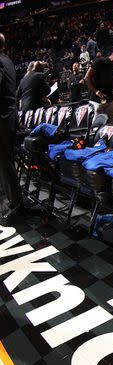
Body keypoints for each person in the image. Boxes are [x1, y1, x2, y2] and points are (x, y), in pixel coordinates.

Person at [0, 33, 23, 226]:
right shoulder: (6, 59)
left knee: (5, 163)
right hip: (8, 119)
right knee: (5, 162)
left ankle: (16, 206)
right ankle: (12, 202)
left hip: (2, 120)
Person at [85, 45, 113, 123]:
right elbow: (87, 77)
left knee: (111, 125)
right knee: (96, 125)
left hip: (110, 99)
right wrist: (96, 91)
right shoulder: (100, 61)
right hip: (96, 100)